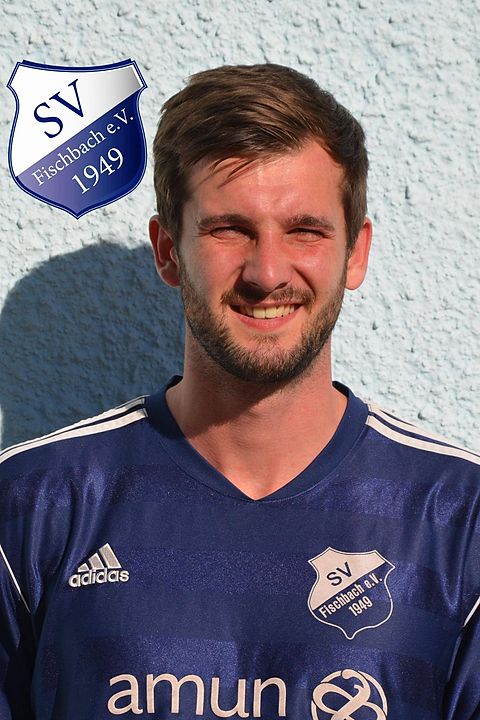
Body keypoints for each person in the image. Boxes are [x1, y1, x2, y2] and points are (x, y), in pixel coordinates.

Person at [0, 63, 479, 720]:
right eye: (229, 229)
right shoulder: (34, 506)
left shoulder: (459, 518)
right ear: (168, 251)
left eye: (305, 230)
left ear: (355, 252)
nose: (268, 272)